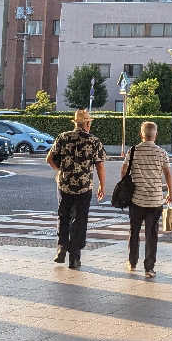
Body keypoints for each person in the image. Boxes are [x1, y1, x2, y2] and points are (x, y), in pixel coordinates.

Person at [47, 109, 106, 269]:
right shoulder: (94, 141)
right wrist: (102, 184)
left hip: (64, 184)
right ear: (87, 124)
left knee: (63, 216)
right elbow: (100, 164)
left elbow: (49, 159)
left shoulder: (63, 137)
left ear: (75, 123)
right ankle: (74, 257)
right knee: (80, 219)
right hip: (84, 186)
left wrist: (59, 171)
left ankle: (61, 247)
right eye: (89, 123)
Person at [126, 120, 172, 279]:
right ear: (155, 135)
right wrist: (170, 192)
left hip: (136, 199)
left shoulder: (133, 151)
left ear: (141, 134)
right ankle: (149, 268)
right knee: (151, 235)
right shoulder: (161, 152)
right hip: (155, 200)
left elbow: (123, 171)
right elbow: (167, 173)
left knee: (134, 231)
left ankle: (132, 262)